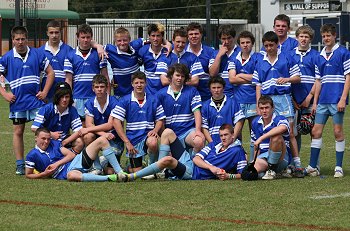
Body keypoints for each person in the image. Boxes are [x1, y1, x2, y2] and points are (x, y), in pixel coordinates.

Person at [0, 26, 55, 175]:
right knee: (18, 131)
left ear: (26, 39)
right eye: (17, 39)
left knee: (42, 130)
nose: (20, 42)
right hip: (18, 102)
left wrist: (44, 92)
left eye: (22, 39)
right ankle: (20, 164)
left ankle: (45, 160)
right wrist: (5, 94)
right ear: (12, 40)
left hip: (35, 101)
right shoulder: (6, 58)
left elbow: (51, 73)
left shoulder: (37, 54)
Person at [253, 31, 304, 177]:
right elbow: (258, 85)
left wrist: (287, 79)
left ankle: (297, 165)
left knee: (291, 133)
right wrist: (258, 104)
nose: (269, 48)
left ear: (277, 44)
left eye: (271, 45)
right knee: (270, 132)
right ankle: (273, 164)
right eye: (266, 45)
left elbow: (297, 78)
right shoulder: (260, 61)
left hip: (283, 99)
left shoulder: (287, 58)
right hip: (267, 99)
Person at [308, 24, 350, 178]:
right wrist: (315, 102)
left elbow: (348, 77)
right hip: (323, 101)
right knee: (316, 131)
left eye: (329, 35)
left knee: (338, 132)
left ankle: (338, 167)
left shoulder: (343, 53)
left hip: (336, 100)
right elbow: (318, 81)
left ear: (335, 36)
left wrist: (343, 98)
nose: (326, 38)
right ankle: (313, 167)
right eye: (324, 36)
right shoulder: (319, 56)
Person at [111, 71, 165, 173]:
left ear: (146, 83)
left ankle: (151, 166)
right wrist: (127, 142)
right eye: (136, 83)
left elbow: (160, 119)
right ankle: (130, 166)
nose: (139, 85)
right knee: (137, 171)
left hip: (147, 137)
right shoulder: (125, 100)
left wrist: (155, 130)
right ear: (132, 84)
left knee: (153, 142)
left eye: (141, 82)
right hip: (133, 140)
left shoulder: (153, 99)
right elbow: (116, 122)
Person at [25, 127, 124, 182]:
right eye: (43, 139)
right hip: (68, 173)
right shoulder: (32, 155)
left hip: (75, 162)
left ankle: (120, 172)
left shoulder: (53, 143)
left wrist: (57, 164)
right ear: (36, 138)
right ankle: (108, 177)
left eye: (48, 138)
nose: (46, 141)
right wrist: (44, 174)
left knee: (102, 140)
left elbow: (71, 155)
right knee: (71, 176)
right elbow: (28, 174)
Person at [76, 74, 124, 174]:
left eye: (102, 87)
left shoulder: (115, 102)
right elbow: (89, 124)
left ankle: (105, 161)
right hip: (100, 136)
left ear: (107, 88)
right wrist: (103, 134)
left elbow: (110, 125)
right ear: (93, 88)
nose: (99, 89)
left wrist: (90, 129)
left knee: (110, 172)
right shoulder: (90, 103)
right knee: (88, 136)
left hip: (114, 138)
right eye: (97, 87)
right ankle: (96, 167)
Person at [157, 63, 205, 156]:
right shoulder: (160, 94)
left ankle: (192, 164)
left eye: (182, 76)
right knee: (170, 164)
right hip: (170, 133)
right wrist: (163, 137)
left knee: (199, 141)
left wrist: (198, 130)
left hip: (187, 131)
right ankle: (160, 167)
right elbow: (159, 119)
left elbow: (197, 113)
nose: (179, 78)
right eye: (177, 75)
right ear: (171, 76)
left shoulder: (192, 91)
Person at [64, 24, 109, 120]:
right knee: (80, 129)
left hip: (95, 97)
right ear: (77, 38)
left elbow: (105, 75)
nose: (85, 40)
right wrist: (68, 97)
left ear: (91, 38)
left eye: (88, 37)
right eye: (83, 37)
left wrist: (107, 95)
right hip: (77, 97)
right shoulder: (70, 55)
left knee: (94, 127)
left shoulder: (99, 53)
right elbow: (68, 80)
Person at [228, 31, 260, 159]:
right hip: (238, 100)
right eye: (242, 43)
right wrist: (250, 78)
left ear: (252, 44)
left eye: (248, 42)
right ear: (239, 44)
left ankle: (253, 160)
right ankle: (239, 158)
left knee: (255, 131)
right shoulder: (233, 59)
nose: (245, 45)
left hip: (253, 99)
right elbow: (232, 80)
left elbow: (259, 77)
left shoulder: (257, 58)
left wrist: (240, 75)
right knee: (237, 132)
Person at [289, 25, 319, 160]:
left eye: (306, 37)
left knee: (314, 131)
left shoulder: (316, 56)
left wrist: (310, 97)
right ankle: (296, 164)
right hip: (293, 101)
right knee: (294, 133)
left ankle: (314, 165)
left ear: (310, 39)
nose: (303, 39)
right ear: (297, 37)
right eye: (301, 36)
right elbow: (287, 79)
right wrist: (292, 99)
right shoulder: (289, 55)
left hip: (309, 101)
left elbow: (319, 80)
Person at [31, 82, 84, 155]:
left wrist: (65, 142)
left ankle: (70, 162)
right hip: (48, 140)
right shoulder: (47, 109)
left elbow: (78, 131)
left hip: (64, 140)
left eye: (67, 96)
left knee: (79, 141)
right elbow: (34, 128)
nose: (64, 100)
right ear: (56, 97)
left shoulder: (72, 110)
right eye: (61, 97)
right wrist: (51, 134)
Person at [250, 96, 291, 180]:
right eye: (261, 108)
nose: (264, 111)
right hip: (263, 157)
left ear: (273, 108)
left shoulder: (279, 118)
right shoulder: (255, 122)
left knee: (276, 137)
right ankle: (278, 172)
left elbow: (283, 128)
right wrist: (252, 162)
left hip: (281, 158)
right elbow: (255, 146)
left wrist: (261, 138)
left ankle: (272, 170)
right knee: (251, 174)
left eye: (267, 108)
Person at [201, 76, 244, 144]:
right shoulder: (205, 106)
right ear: (210, 89)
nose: (216, 90)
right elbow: (204, 127)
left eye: (219, 87)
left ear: (223, 88)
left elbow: (239, 122)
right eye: (214, 88)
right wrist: (212, 144)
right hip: (214, 143)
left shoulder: (233, 103)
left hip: (232, 143)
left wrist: (232, 139)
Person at [38, 20, 74, 102]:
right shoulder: (40, 51)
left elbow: (70, 77)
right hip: (45, 96)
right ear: (47, 33)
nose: (54, 35)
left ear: (60, 33)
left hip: (63, 96)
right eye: (51, 33)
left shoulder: (69, 50)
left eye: (56, 32)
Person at [104, 27, 144, 98]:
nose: (122, 43)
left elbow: (153, 39)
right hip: (119, 94)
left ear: (129, 40)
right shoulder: (110, 50)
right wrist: (98, 47)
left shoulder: (136, 45)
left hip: (136, 94)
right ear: (115, 41)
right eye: (119, 41)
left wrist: (167, 43)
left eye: (125, 40)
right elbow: (92, 43)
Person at [209, 24, 240, 98]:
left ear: (234, 37)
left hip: (238, 93)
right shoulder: (215, 53)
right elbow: (212, 74)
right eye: (223, 39)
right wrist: (219, 55)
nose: (226, 41)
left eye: (229, 38)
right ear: (220, 39)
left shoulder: (240, 52)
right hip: (221, 94)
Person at [186, 22, 215, 101]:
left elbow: (212, 73)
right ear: (187, 36)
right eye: (191, 34)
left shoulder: (210, 51)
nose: (194, 36)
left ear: (201, 35)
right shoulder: (183, 51)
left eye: (196, 33)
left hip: (206, 95)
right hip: (187, 94)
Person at [138, 23, 169, 95]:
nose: (155, 39)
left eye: (158, 36)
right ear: (149, 36)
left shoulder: (169, 51)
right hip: (148, 91)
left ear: (162, 37)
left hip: (165, 91)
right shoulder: (143, 51)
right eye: (153, 36)